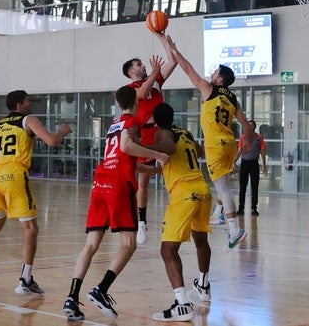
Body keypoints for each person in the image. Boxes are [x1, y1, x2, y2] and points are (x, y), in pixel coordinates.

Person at [62, 86, 169, 321]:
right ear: (136, 101)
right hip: (118, 186)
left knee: (91, 244)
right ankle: (101, 290)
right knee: (129, 243)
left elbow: (124, 158)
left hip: (100, 183)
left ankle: (72, 296)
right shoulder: (131, 121)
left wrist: (155, 170)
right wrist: (160, 155)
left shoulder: (114, 124)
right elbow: (126, 148)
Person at [0, 90, 72, 294]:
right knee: (30, 228)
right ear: (20, 104)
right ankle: (25, 279)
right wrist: (62, 132)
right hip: (14, 174)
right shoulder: (28, 120)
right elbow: (52, 141)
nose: (30, 103)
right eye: (28, 100)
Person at [165, 34, 253, 252]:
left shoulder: (208, 88)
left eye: (215, 72)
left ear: (220, 80)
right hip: (230, 141)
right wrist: (248, 142)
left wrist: (174, 51)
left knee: (223, 188)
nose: (212, 74)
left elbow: (187, 69)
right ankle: (217, 215)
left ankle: (235, 230)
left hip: (215, 143)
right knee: (222, 181)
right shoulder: (233, 98)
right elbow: (246, 125)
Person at [150, 102, 212, 322]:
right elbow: (199, 152)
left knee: (168, 250)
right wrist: (149, 168)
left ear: (154, 120)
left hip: (184, 194)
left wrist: (143, 146)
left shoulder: (162, 134)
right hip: (203, 190)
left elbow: (169, 149)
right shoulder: (185, 132)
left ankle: (182, 305)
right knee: (201, 241)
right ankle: (203, 285)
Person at [123, 32, 177, 245]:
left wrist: (163, 39)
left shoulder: (155, 81)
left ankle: (174, 214)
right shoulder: (129, 89)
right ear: (130, 71)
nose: (142, 65)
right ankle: (142, 222)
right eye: (138, 64)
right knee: (143, 182)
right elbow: (143, 93)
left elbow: (172, 61)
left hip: (162, 130)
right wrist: (154, 72)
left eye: (142, 64)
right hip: (143, 133)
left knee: (173, 171)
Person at [234, 120, 267, 216]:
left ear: (254, 127)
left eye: (251, 125)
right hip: (244, 164)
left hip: (254, 164)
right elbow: (239, 151)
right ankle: (241, 208)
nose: (249, 126)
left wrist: (264, 165)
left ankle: (254, 209)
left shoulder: (258, 137)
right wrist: (233, 162)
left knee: (254, 187)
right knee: (242, 187)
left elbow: (262, 151)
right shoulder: (242, 137)